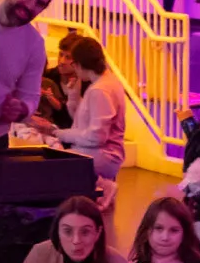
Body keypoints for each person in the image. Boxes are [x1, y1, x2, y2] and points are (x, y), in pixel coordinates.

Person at [27, 33, 127, 182]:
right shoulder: (104, 83)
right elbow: (83, 122)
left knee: (40, 169)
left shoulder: (100, 89)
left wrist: (57, 132)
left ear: (79, 64)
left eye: (71, 61)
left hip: (100, 155)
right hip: (97, 152)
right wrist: (73, 96)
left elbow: (96, 137)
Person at [0, 0, 54, 137]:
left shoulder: (34, 44)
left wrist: (21, 109)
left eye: (39, 4)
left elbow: (30, 97)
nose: (30, 6)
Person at [129, 195, 200, 263]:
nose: (165, 237)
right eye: (158, 228)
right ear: (146, 231)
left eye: (174, 230)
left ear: (185, 234)